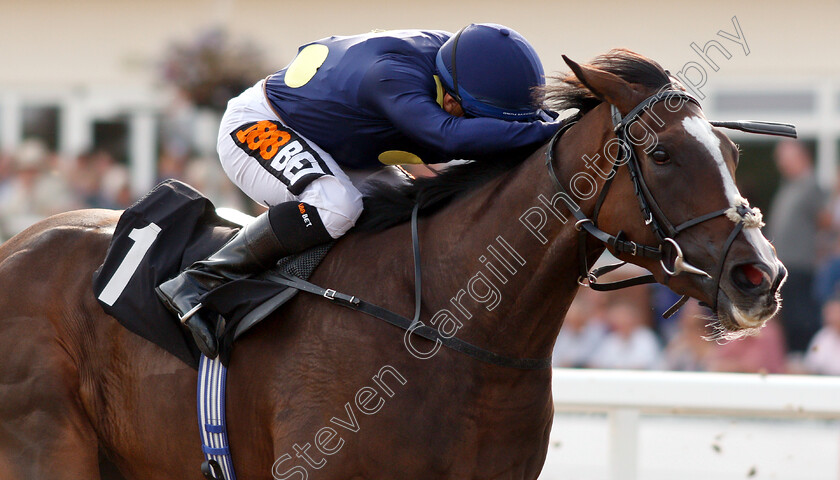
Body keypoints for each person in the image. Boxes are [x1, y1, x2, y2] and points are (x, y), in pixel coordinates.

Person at [156, 25, 562, 358]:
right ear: (453, 99)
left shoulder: (466, 65)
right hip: (261, 123)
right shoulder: (390, 74)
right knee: (335, 207)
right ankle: (200, 280)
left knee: (413, 218)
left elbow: (526, 124)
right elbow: (447, 136)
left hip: (341, 146)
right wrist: (548, 130)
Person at [766, 140, 826, 352]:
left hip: (800, 267)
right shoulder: (789, 186)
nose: (781, 164)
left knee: (802, 319)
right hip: (783, 268)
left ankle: (804, 355)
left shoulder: (811, 186)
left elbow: (825, 222)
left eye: (785, 158)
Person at [588, 301, 661, 370]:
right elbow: (595, 364)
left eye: (624, 317)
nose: (621, 321)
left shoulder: (645, 336)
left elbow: (642, 366)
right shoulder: (611, 339)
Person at [804, 298, 840, 375]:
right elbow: (811, 363)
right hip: (825, 382)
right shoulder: (822, 337)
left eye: (836, 313)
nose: (833, 317)